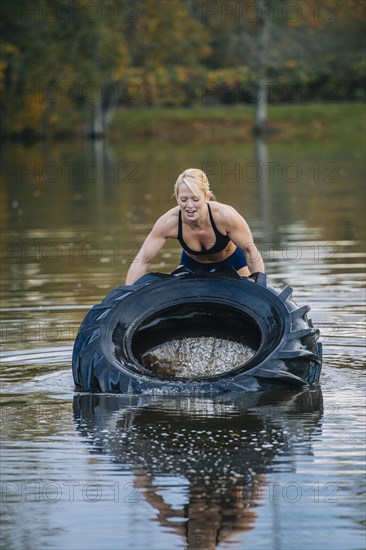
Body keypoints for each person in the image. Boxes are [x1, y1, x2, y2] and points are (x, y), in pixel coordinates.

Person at [125, 168, 264, 285]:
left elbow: (250, 251)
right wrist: (127, 294)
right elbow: (143, 259)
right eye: (184, 199)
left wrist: (260, 288)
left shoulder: (225, 216)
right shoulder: (169, 222)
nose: (189, 206)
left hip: (233, 264)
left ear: (207, 197)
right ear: (177, 198)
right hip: (192, 266)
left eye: (195, 199)